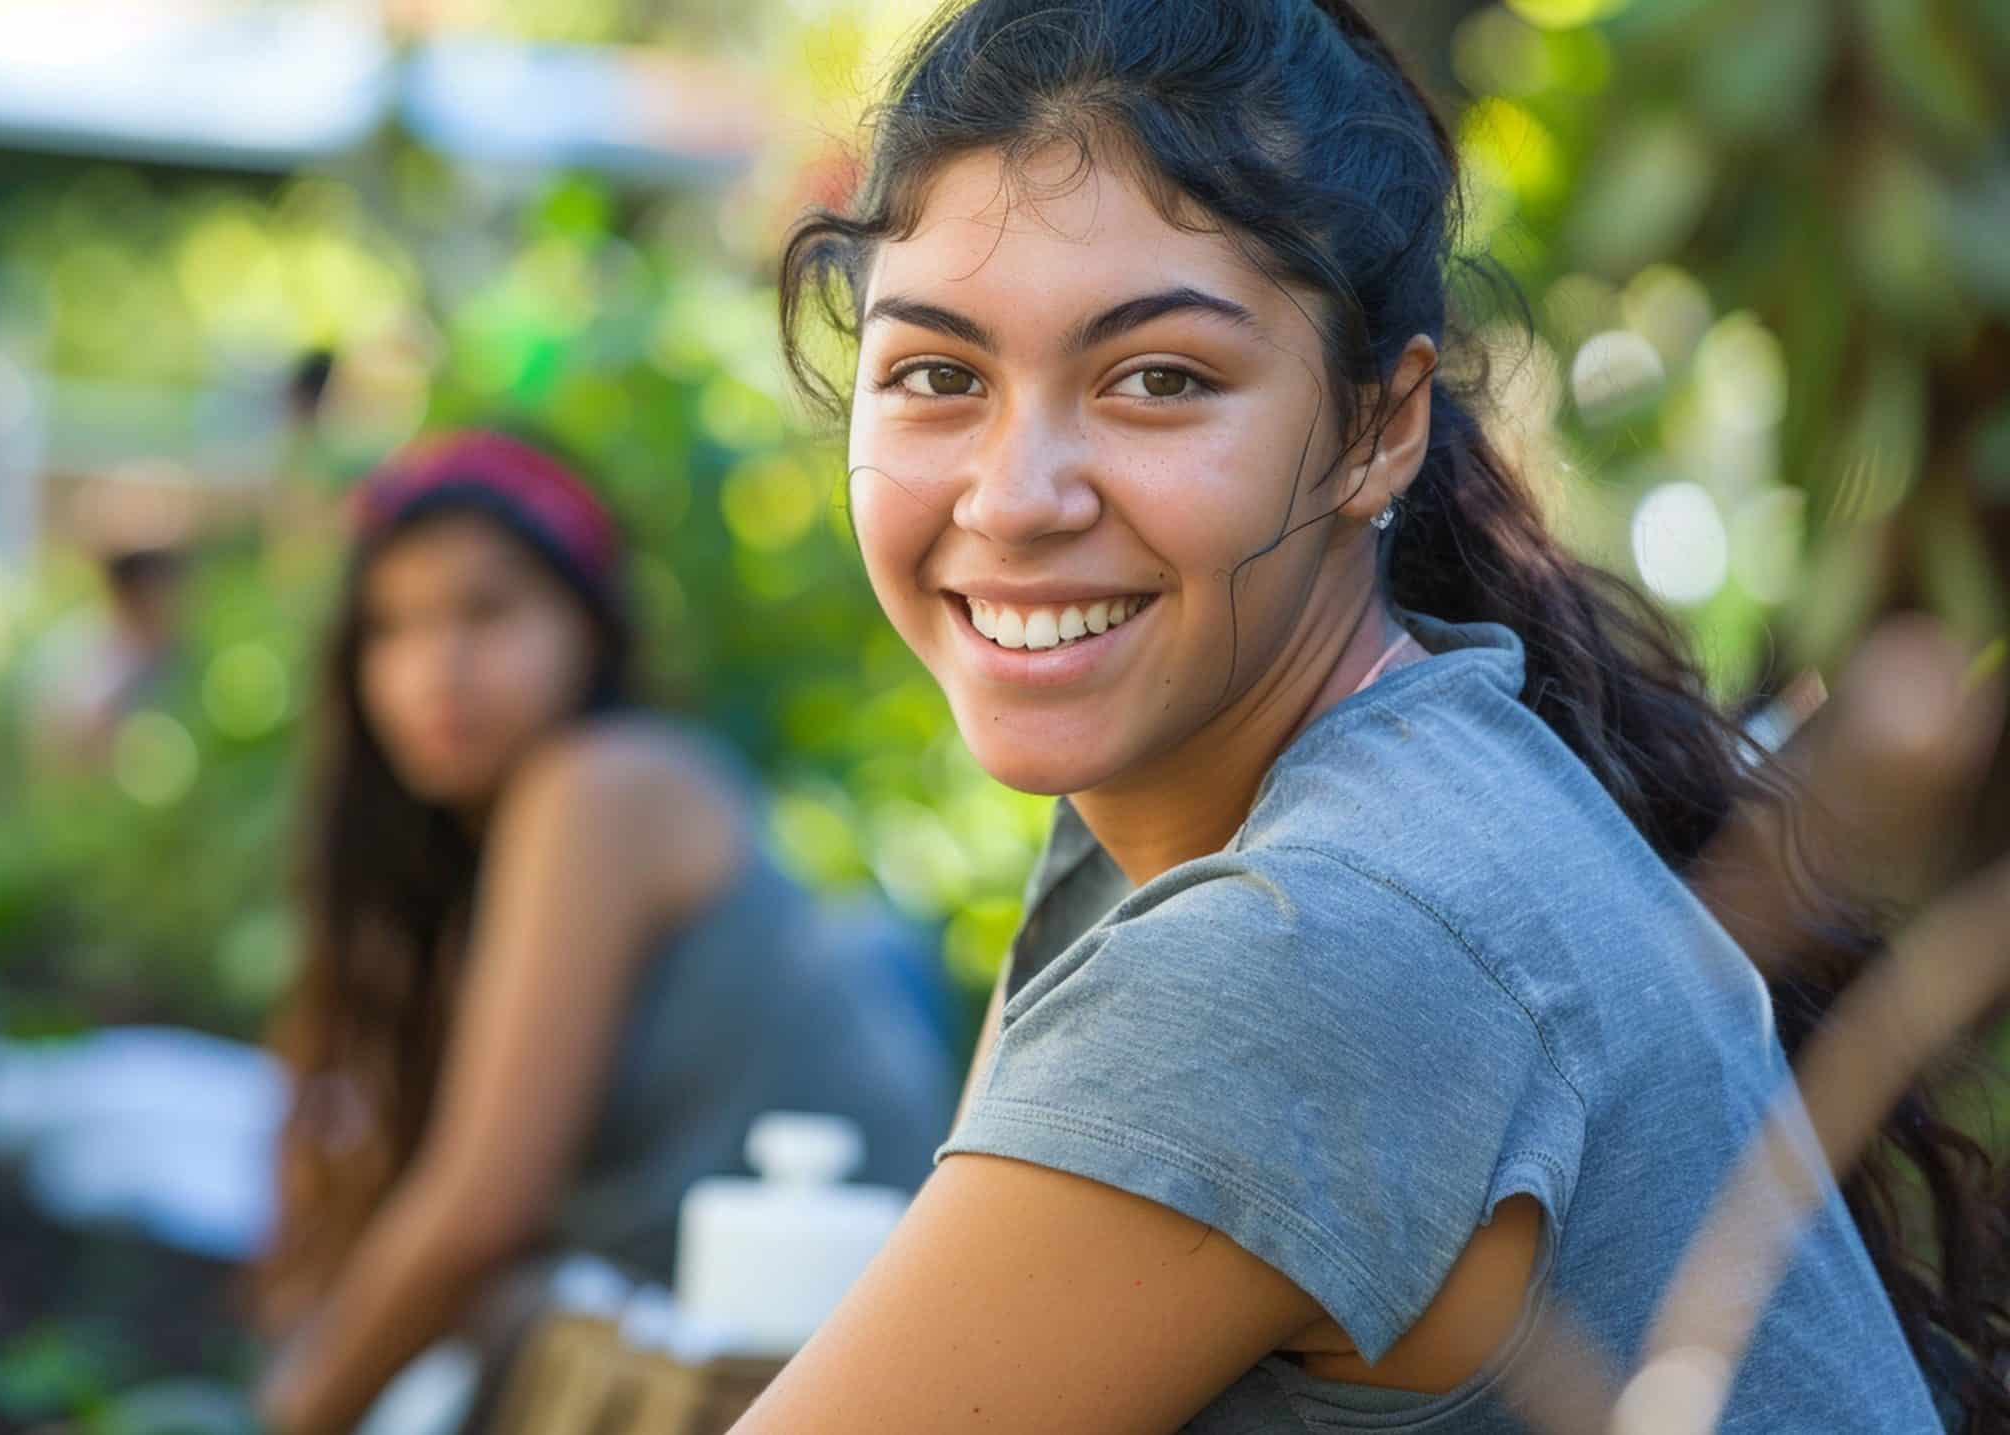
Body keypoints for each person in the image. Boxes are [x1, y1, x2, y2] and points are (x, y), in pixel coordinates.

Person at [738, 2, 2007, 1431]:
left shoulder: (1309, 945)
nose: (1018, 497)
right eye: (938, 375)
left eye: (1159, 379)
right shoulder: (1274, 807)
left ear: (1378, 428)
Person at [252, 430, 958, 1432]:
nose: (436, 666)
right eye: (390, 627)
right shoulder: (483, 860)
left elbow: (480, 1209)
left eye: (486, 610)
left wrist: (284, 1415)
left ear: (587, 623)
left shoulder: (601, 786)